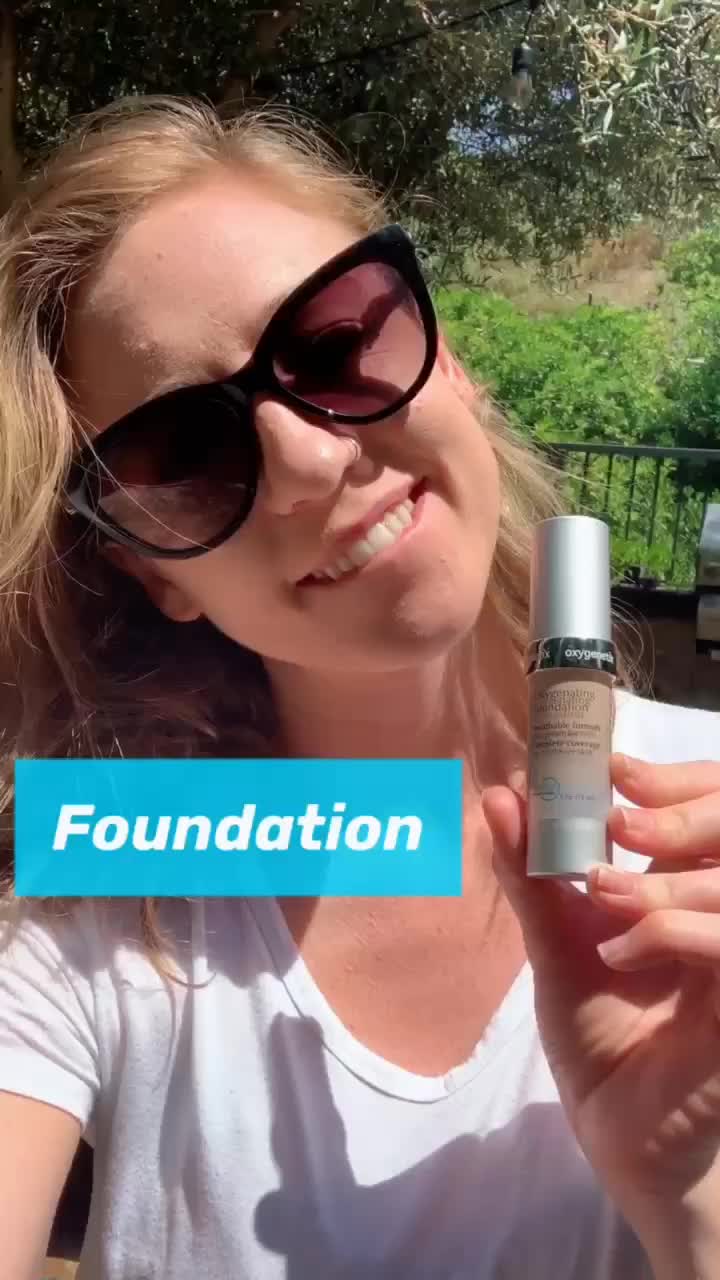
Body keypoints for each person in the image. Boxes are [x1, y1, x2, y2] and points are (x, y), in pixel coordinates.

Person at [0, 94, 719, 1280]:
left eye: (336, 346)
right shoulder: (117, 879)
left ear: (450, 358)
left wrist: (691, 1210)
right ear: (151, 570)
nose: (311, 459)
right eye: (184, 456)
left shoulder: (706, 828)